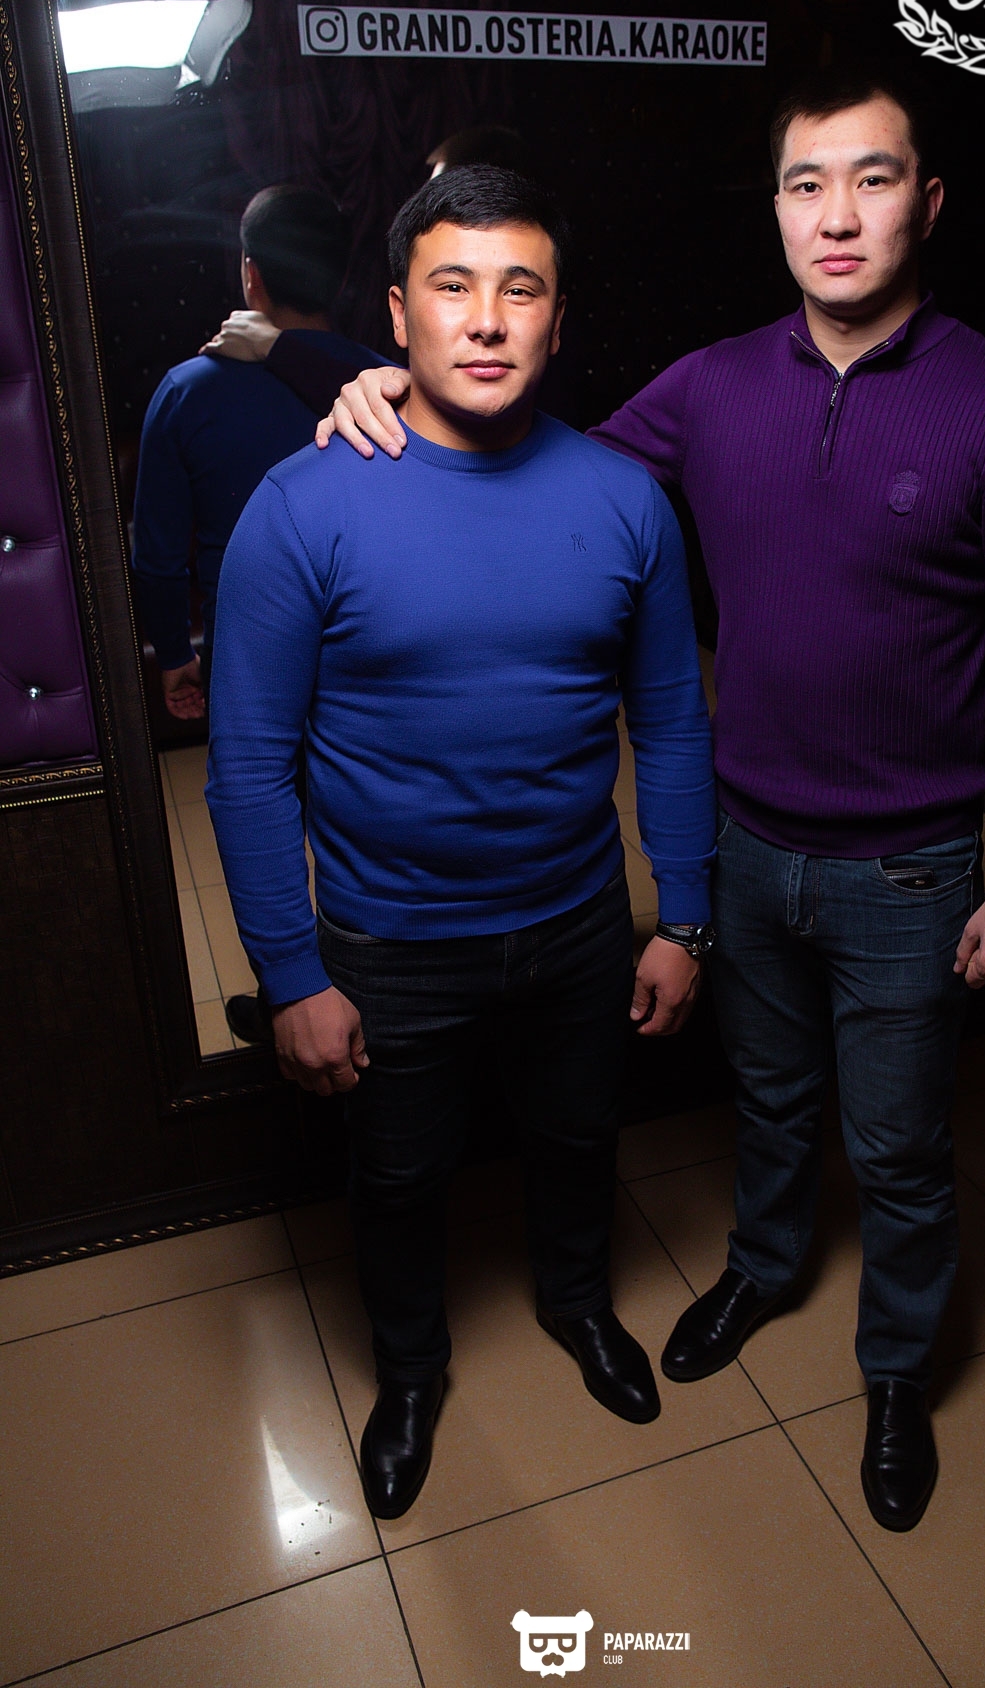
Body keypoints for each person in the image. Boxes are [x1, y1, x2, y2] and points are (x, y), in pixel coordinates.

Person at [314, 68, 985, 1533]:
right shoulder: (714, 383)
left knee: (902, 1151)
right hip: (744, 846)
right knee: (773, 1103)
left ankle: (895, 1375)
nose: (837, 215)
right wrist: (386, 384)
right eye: (807, 185)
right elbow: (533, 460)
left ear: (928, 204)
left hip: (913, 871)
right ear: (778, 213)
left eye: (872, 179)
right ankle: (762, 1268)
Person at [204, 166, 716, 1521]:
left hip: (577, 920)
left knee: (578, 1136)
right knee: (397, 1174)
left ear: (556, 319)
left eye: (519, 289)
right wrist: (291, 973)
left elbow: (672, 725)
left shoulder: (626, 501)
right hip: (390, 940)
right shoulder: (303, 506)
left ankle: (577, 1307)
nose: (486, 319)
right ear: (397, 315)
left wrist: (685, 916)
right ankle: (412, 1372)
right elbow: (246, 767)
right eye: (452, 286)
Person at [132, 184, 385, 719]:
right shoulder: (392, 383)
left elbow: (158, 556)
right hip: (376, 644)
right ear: (341, 279)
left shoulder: (185, 392)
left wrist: (175, 655)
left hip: (245, 653)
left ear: (252, 274)